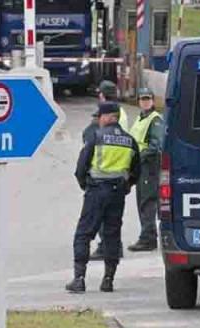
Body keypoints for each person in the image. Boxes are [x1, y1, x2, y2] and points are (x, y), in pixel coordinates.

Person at [67, 102, 141, 293]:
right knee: (112, 236)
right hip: (117, 195)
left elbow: (81, 168)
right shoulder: (130, 141)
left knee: (84, 234)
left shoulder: (96, 138)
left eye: (100, 117)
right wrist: (125, 187)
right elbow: (136, 172)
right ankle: (108, 280)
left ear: (109, 117)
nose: (98, 120)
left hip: (96, 192)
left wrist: (87, 185)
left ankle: (79, 279)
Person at [87, 80, 129, 260]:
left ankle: (108, 247)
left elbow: (91, 138)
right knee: (113, 218)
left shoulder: (106, 115)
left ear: (102, 95)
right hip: (120, 173)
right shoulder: (122, 113)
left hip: (105, 172)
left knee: (103, 216)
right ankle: (112, 246)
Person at [127, 88, 165, 252]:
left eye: (148, 99)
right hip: (140, 166)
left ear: (153, 101)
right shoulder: (140, 118)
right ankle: (147, 235)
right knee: (142, 200)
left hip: (149, 166)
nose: (145, 101)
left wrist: (139, 157)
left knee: (147, 202)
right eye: (142, 99)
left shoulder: (155, 120)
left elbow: (155, 146)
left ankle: (148, 238)